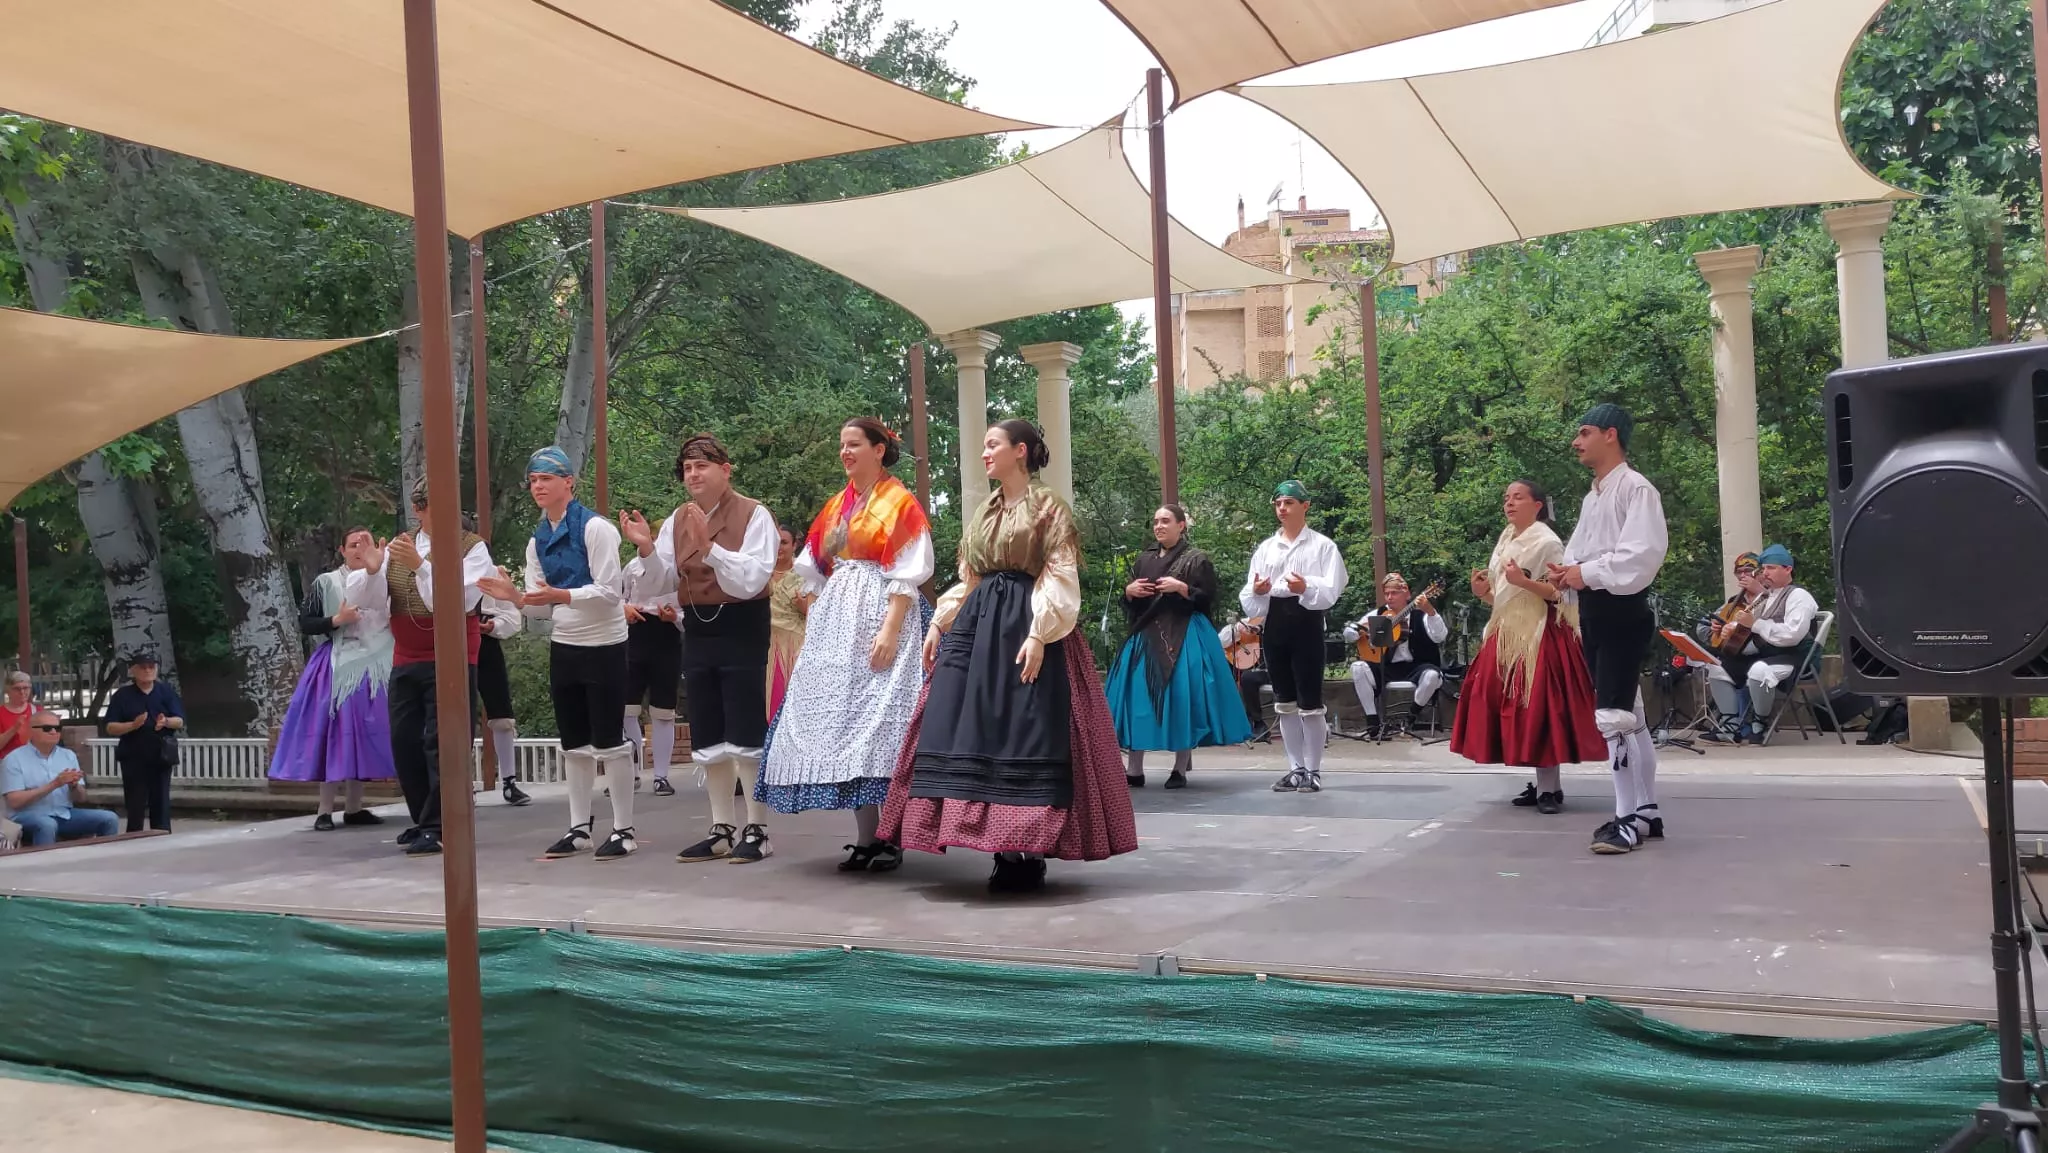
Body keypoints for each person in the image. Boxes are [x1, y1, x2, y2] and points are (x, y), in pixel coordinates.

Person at [881, 419, 1137, 892]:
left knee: (1027, 730)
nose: (985, 453)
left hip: (1026, 622)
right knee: (970, 728)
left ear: (1020, 451)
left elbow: (1060, 575)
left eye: (992, 445)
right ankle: (1001, 849)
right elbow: (971, 579)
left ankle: (1028, 851)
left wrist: (1040, 634)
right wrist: (940, 621)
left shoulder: (1048, 507)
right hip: (979, 631)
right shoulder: (985, 512)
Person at [760, 418, 933, 871]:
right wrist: (821, 612)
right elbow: (813, 565)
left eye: (854, 444)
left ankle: (890, 836)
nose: (845, 452)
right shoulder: (837, 506)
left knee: (882, 720)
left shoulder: (899, 502)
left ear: (880, 449)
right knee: (846, 718)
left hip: (881, 610)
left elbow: (909, 569)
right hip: (839, 618)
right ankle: (865, 835)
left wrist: (892, 628)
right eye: (842, 445)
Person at [630, 434, 780, 865]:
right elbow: (660, 583)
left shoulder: (754, 514)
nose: (693, 474)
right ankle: (721, 827)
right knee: (708, 727)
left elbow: (751, 579)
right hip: (696, 625)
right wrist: (645, 547)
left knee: (745, 729)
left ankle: (757, 828)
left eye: (703, 466)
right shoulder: (678, 518)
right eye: (688, 468)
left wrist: (711, 549)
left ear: (725, 470)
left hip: (742, 623)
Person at [481, 446, 634, 861]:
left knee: (610, 741)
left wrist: (559, 594)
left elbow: (609, 594)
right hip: (565, 645)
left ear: (569, 482)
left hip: (604, 643)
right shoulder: (537, 540)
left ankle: (623, 829)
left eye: (546, 478)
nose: (537, 487)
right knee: (574, 742)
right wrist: (514, 596)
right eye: (532, 480)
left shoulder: (597, 529)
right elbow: (538, 605)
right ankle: (579, 826)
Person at [344, 478, 494, 857]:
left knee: (442, 741)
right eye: (430, 504)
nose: (442, 511)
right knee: (404, 739)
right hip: (408, 654)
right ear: (419, 508)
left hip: (454, 654)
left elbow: (458, 601)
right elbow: (369, 602)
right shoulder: (398, 546)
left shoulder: (472, 548)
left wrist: (422, 567)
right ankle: (423, 817)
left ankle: (439, 824)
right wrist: (376, 571)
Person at [1547, 403, 1671, 856]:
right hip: (1597, 611)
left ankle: (1624, 820)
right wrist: (1567, 573)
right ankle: (1647, 810)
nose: (1576, 442)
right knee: (1631, 718)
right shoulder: (1594, 495)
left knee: (1614, 717)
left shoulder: (1636, 489)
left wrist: (1586, 573)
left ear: (1610, 435)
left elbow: (1639, 558)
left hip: (1621, 610)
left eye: (1584, 432)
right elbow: (1582, 552)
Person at [1450, 480, 1606, 813]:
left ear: (1537, 505)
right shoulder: (1505, 538)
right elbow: (1505, 597)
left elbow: (1562, 593)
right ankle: (1543, 784)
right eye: (1506, 498)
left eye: (1518, 498)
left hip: (1539, 631)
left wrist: (1523, 582)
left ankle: (1549, 788)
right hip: (1506, 630)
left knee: (1541, 707)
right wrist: (1483, 594)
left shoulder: (1547, 541)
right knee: (1515, 708)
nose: (1509, 503)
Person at [1106, 503, 1249, 788]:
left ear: (1181, 525)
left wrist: (1182, 588)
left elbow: (1209, 600)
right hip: (1146, 634)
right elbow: (1134, 606)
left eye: (1166, 521)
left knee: (1183, 698)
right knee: (1138, 699)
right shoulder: (1143, 559)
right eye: (1156, 521)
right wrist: (1129, 593)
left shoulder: (1197, 559)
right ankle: (1134, 769)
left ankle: (1179, 768)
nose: (1159, 526)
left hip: (1185, 632)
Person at [268, 527, 396, 830]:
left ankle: (354, 807)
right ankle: (324, 810)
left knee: (362, 737)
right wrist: (336, 620)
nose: (358, 549)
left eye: (364, 544)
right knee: (334, 735)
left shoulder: (385, 580)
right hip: (337, 666)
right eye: (353, 545)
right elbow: (306, 623)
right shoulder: (326, 583)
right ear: (342, 550)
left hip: (375, 667)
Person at [1240, 480, 1349, 793]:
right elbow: (1250, 594)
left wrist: (1306, 588)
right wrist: (1258, 591)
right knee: (1284, 702)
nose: (1282, 508)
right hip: (1275, 625)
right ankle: (1295, 768)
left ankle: (1313, 769)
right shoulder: (1266, 548)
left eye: (1288, 502)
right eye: (1278, 503)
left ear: (1305, 505)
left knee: (1310, 703)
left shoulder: (1322, 546)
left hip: (1307, 624)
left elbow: (1331, 590)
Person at [1703, 544, 1819, 743]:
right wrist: (1730, 629)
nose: (1765, 573)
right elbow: (1746, 624)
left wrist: (1756, 624)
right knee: (1715, 667)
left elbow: (1792, 635)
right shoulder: (1765, 597)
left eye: (1771, 568)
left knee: (1758, 671)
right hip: (1766, 655)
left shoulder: (1798, 596)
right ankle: (1731, 725)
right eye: (1764, 569)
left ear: (1788, 569)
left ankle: (1760, 723)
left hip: (1794, 656)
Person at [618, 507, 685, 799]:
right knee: (627, 707)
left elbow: (685, 607)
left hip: (666, 635)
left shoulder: (679, 570)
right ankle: (631, 771)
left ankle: (661, 775)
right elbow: (617, 597)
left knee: (663, 710)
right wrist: (624, 610)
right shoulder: (631, 567)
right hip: (635, 633)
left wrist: (676, 619)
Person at [469, 513, 532, 808]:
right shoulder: (441, 571)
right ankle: (461, 782)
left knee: (502, 714)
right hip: (456, 649)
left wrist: (492, 626)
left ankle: (509, 782)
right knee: (459, 716)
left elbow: (513, 618)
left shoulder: (494, 574)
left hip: (487, 647)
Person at [1344, 573, 1449, 739]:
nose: (1389, 597)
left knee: (1432, 676)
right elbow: (1348, 634)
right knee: (1357, 667)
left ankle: (1410, 718)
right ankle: (1373, 723)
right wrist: (1360, 631)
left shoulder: (1421, 614)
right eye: (1386, 593)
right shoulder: (1379, 614)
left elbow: (1440, 636)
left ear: (1406, 593)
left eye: (1394, 593)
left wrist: (1430, 612)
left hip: (1416, 665)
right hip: (1386, 666)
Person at [1, 710, 119, 847]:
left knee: (109, 818)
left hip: (64, 814)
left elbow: (81, 798)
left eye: (57, 728)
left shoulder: (68, 755)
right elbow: (15, 802)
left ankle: (104, 862)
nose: (53, 732)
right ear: (31, 731)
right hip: (26, 816)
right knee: (47, 824)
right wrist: (54, 784)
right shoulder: (14, 759)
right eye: (47, 728)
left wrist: (74, 786)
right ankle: (46, 866)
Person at [103, 651, 184, 834]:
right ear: (133, 670)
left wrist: (166, 722)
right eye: (143, 667)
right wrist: (133, 725)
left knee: (161, 800)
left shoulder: (166, 692)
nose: (147, 671)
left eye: (151, 667)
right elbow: (110, 727)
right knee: (135, 802)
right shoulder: (122, 695)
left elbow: (179, 720)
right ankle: (134, 838)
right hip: (133, 756)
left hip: (161, 754)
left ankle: (162, 836)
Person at [766, 523, 811, 721]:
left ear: (794, 545)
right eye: (774, 542)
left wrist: (805, 608)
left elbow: (821, 616)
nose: (778, 547)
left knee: (795, 709)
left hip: (796, 647)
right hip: (764, 647)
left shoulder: (806, 574)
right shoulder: (759, 573)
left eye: (783, 542)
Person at [1217, 615, 1270, 743]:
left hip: (1279, 669)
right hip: (1257, 669)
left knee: (1247, 677)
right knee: (1243, 677)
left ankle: (1257, 723)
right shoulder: (1249, 621)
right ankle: (1245, 723)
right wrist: (1237, 630)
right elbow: (1220, 641)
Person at [0, 671, 36, 760]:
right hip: (8, 764)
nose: (22, 692)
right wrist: (15, 728)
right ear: (8, 691)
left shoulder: (37, 711)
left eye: (26, 688)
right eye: (17, 688)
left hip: (33, 762)